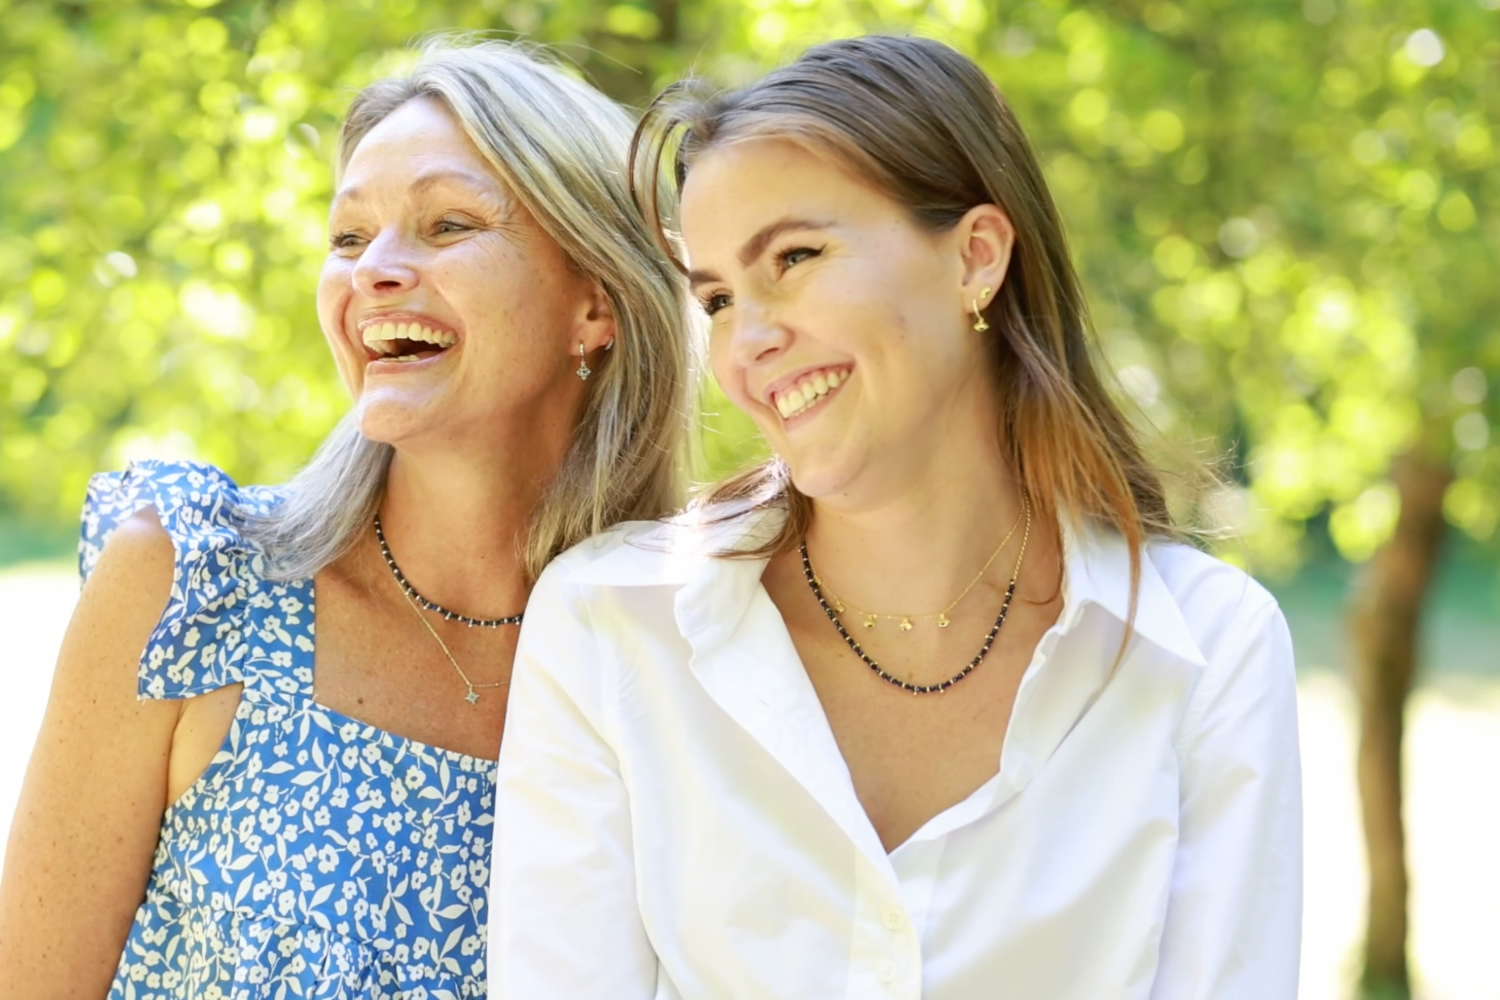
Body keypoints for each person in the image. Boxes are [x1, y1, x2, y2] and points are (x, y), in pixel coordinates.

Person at [489, 34, 1300, 1000]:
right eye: (717, 298)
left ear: (976, 258)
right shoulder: (611, 626)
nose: (749, 340)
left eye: (794, 257)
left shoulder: (1209, 650)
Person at [0, 40, 689, 1000]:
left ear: (598, 302)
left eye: (446, 225)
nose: (375, 272)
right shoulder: (193, 585)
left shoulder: (679, 664)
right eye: (348, 239)